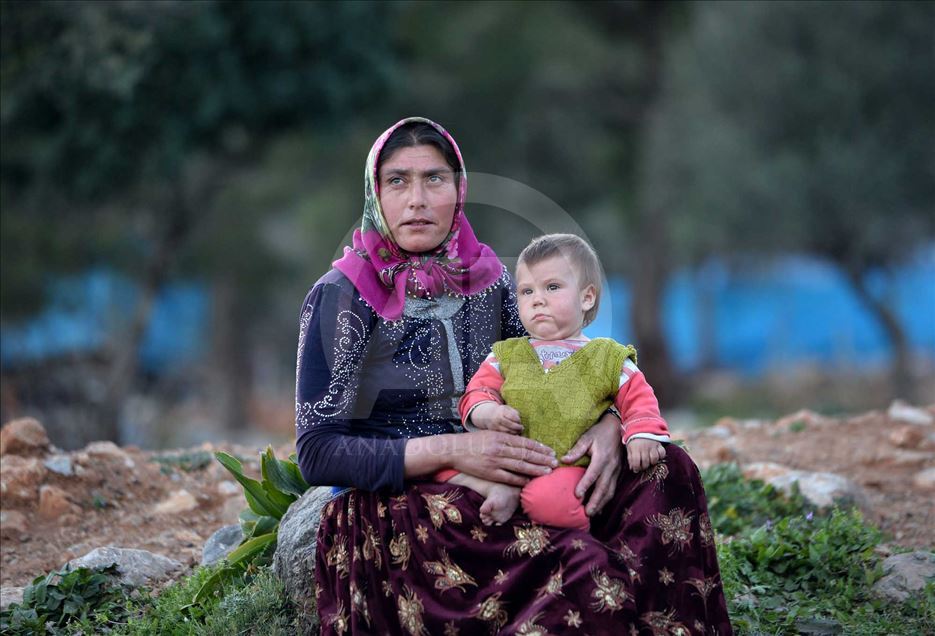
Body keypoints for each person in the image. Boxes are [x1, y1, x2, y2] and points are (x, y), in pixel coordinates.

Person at [296, 116, 732, 634]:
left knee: (668, 469)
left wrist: (611, 427)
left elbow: (559, 361)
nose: (416, 199)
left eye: (434, 179)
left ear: (459, 191)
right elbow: (317, 452)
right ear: (375, 193)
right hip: (410, 503)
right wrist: (455, 451)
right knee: (582, 570)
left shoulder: (493, 281)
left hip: (522, 467)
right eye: (398, 180)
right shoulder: (341, 296)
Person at [443, 233, 670, 531]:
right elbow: (478, 392)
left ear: (587, 297)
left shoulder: (606, 356)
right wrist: (490, 413)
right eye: (526, 291)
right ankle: (504, 491)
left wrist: (643, 434)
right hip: (507, 459)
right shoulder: (508, 354)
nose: (537, 299)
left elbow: (638, 399)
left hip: (563, 464)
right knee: (442, 464)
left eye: (552, 287)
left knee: (550, 501)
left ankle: (581, 543)